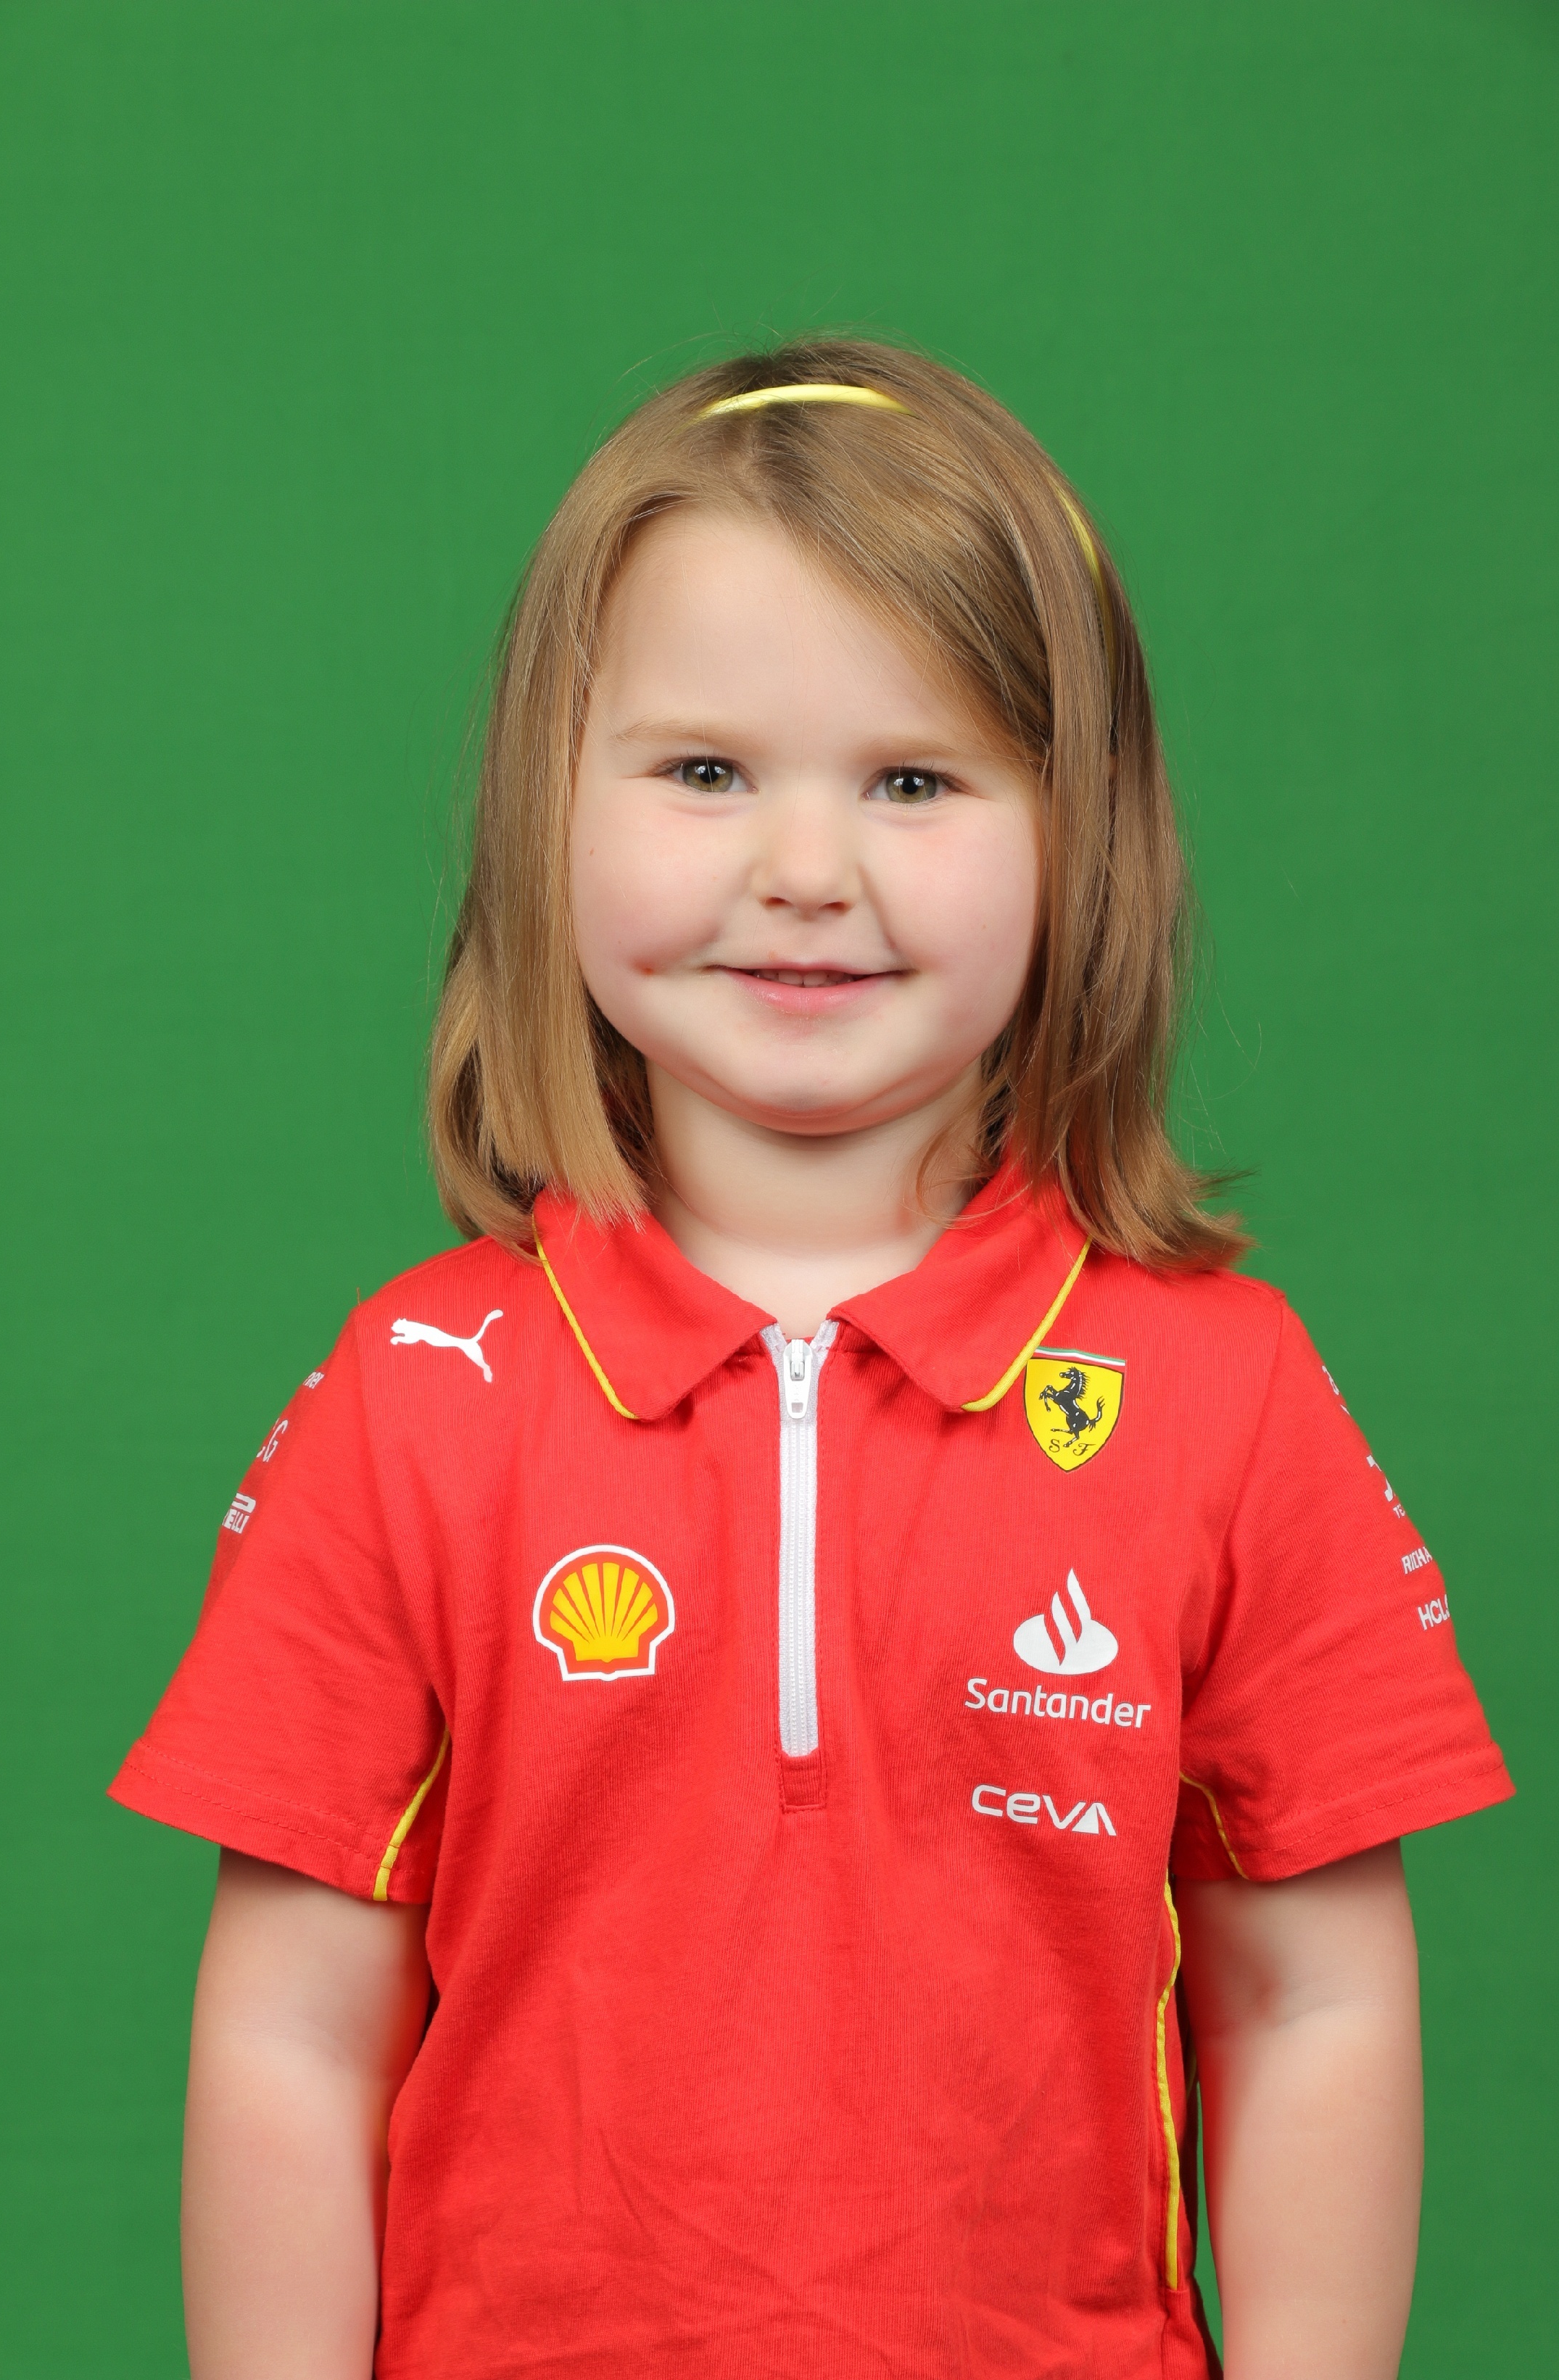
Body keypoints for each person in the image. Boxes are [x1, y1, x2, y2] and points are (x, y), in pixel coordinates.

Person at [110, 340, 1512, 2380]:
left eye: (914, 780)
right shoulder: (415, 1390)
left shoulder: (1226, 1393)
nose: (803, 868)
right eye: (703, 770)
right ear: (544, 807)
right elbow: (291, 2031)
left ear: (1083, 840)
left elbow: (1313, 2000)